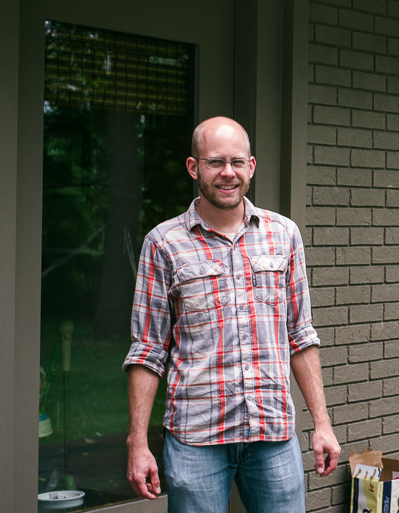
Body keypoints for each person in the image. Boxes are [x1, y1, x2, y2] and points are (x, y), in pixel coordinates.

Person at [123, 116, 340, 513]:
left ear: (251, 167)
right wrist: (137, 443)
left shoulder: (284, 234)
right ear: (194, 168)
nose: (228, 173)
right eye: (215, 162)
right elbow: (147, 350)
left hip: (273, 435)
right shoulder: (163, 244)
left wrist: (322, 423)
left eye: (237, 162)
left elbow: (300, 335)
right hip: (196, 441)